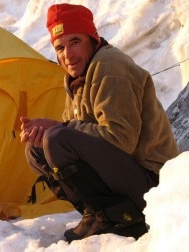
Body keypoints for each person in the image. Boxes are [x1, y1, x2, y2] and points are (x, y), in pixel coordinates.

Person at [19, 3, 179, 243]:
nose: (67, 55)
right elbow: (75, 132)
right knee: (37, 148)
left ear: (92, 39)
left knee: (56, 140)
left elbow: (120, 138)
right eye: (60, 47)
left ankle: (123, 218)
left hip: (154, 186)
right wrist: (48, 130)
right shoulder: (79, 76)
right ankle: (96, 214)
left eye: (75, 42)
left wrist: (58, 129)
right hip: (124, 176)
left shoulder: (110, 66)